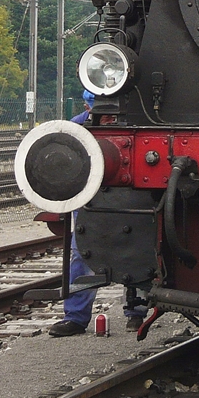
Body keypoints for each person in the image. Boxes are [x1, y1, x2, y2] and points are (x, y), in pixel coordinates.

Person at [50, 92, 147, 337]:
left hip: (131, 196)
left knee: (138, 251)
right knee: (81, 254)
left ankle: (135, 311)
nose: (107, 119)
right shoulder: (76, 127)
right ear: (87, 107)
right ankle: (75, 317)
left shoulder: (138, 120)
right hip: (91, 200)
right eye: (100, 114)